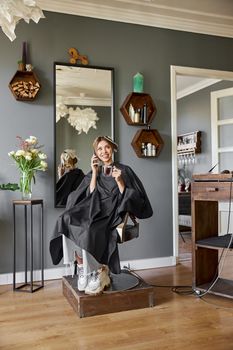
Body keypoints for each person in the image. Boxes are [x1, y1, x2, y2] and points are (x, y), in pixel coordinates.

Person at [50, 136, 153, 295]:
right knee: (65, 219)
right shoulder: (94, 171)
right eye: (99, 149)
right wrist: (94, 173)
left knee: (90, 229)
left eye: (107, 147)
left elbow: (135, 198)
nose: (104, 151)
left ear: (113, 149)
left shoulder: (125, 170)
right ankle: (82, 266)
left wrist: (120, 181)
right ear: (95, 153)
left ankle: (96, 272)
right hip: (93, 209)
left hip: (112, 214)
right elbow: (89, 194)